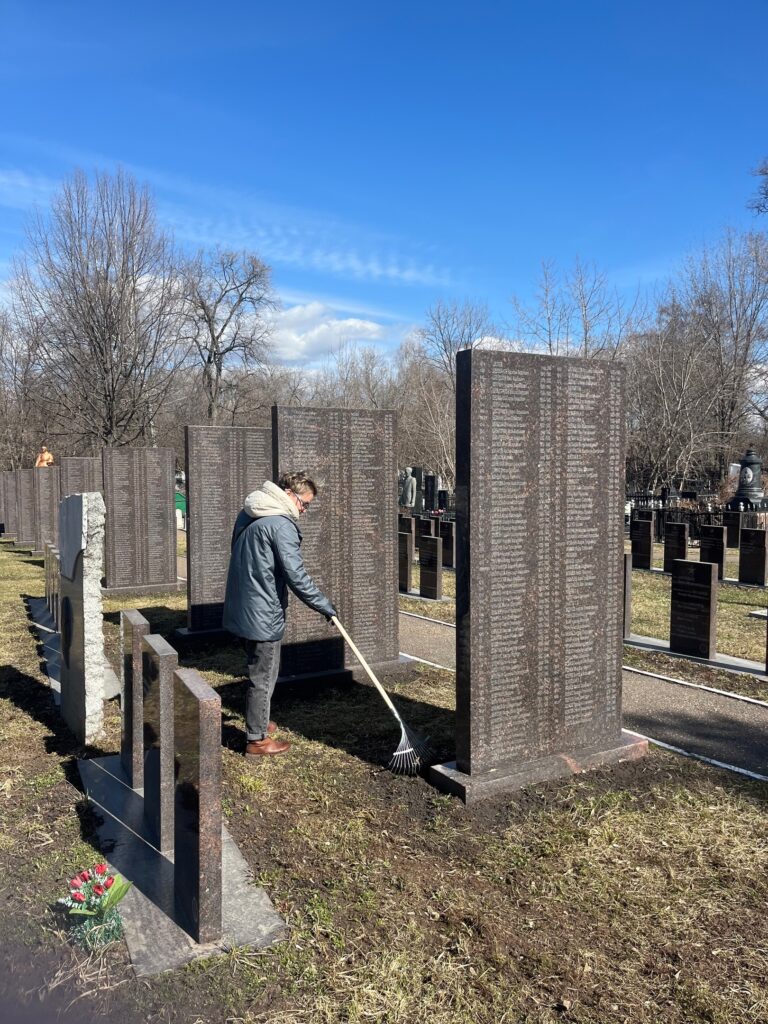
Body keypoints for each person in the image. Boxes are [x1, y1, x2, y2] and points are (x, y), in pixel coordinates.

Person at [222, 472, 337, 757]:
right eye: (303, 503)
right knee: (264, 674)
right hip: (263, 611)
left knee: (256, 668)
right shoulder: (281, 525)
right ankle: (257, 740)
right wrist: (324, 605)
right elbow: (296, 575)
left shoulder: (250, 512)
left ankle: (258, 720)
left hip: (243, 605)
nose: (304, 510)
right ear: (287, 493)